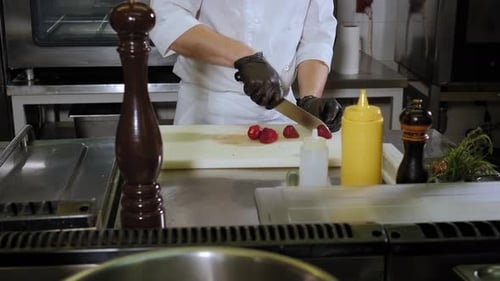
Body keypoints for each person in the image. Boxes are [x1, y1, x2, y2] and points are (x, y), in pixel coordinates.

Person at [149, 0, 343, 132]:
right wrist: (244, 57)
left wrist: (309, 99)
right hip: (208, 115)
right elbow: (166, 16)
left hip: (281, 116)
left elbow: (317, 33)